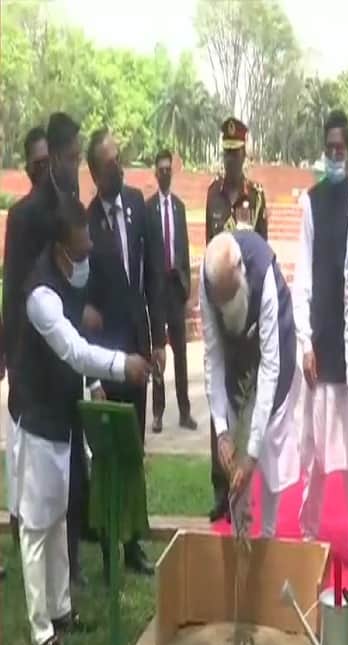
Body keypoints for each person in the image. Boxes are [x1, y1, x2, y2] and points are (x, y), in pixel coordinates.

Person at [11, 195, 149, 645]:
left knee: (60, 517)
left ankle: (61, 610)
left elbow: (77, 350)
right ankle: (40, 630)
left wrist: (93, 384)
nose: (89, 256)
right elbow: (72, 349)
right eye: (83, 249)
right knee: (36, 525)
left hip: (64, 420)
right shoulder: (41, 297)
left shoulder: (65, 288)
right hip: (37, 421)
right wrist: (119, 364)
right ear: (61, 250)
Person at [4, 114, 84, 579]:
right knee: (35, 476)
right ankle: (35, 552)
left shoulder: (71, 205)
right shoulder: (24, 216)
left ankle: (69, 564)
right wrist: (14, 366)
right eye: (72, 158)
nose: (76, 165)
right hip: (36, 365)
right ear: (53, 158)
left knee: (70, 469)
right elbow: (15, 296)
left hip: (67, 360)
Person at [84, 127, 162, 577]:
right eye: (110, 161)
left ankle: (134, 542)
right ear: (95, 171)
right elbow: (85, 304)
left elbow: (150, 278)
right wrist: (93, 378)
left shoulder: (136, 205)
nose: (119, 165)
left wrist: (156, 341)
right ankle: (110, 547)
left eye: (119, 158)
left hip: (136, 349)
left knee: (134, 451)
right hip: (104, 358)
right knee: (108, 455)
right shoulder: (87, 221)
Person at [200, 231, 300, 540]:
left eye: (231, 297)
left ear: (242, 273)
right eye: (222, 300)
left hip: (274, 360)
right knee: (235, 460)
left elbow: (271, 366)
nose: (226, 306)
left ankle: (268, 535)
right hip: (236, 369)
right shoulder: (209, 283)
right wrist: (221, 432)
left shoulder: (263, 274)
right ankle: (239, 534)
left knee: (266, 451)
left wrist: (253, 453)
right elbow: (213, 357)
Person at [294, 111, 348, 550]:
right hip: (320, 338)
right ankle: (307, 532)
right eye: (330, 148)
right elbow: (302, 274)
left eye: (342, 149)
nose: (336, 155)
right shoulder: (310, 201)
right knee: (315, 450)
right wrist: (305, 340)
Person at [204, 117, 269, 523]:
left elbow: (261, 254)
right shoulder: (212, 195)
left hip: (246, 317)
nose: (231, 160)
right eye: (226, 153)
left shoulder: (256, 196)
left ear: (246, 153)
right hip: (219, 308)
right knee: (221, 400)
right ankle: (218, 485)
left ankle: (244, 481)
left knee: (246, 399)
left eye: (237, 153)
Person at [146, 149, 197, 433]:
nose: (165, 173)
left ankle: (185, 411)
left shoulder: (178, 207)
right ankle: (157, 413)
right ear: (155, 174)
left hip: (175, 288)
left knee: (180, 354)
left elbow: (185, 249)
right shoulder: (148, 208)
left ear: (172, 173)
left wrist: (187, 284)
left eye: (168, 169)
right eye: (161, 169)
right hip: (156, 290)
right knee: (158, 353)